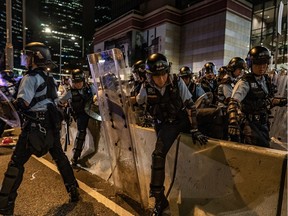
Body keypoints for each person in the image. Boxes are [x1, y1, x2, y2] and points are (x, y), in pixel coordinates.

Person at [0, 42, 79, 215]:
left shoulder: (30, 77)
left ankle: (4, 206)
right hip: (50, 126)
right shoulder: (48, 77)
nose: (25, 59)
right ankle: (73, 190)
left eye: (28, 56)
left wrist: (8, 103)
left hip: (34, 128)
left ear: (36, 57)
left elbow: (23, 103)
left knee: (15, 164)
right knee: (60, 158)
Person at [136, 53, 208, 215]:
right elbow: (140, 103)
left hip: (178, 121)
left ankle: (159, 198)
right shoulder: (145, 86)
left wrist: (195, 128)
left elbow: (190, 105)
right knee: (159, 155)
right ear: (150, 76)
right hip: (162, 124)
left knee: (158, 155)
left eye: (163, 74)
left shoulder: (176, 81)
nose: (161, 79)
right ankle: (159, 198)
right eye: (156, 76)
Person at [228, 46, 287, 146]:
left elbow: (266, 101)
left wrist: (281, 101)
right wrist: (233, 121)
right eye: (258, 64)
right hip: (250, 127)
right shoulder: (245, 82)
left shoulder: (265, 80)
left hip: (263, 124)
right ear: (251, 64)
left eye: (264, 63)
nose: (262, 67)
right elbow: (233, 102)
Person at [58, 69, 97, 167]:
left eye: (80, 82)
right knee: (81, 133)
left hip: (93, 113)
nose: (78, 84)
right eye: (76, 82)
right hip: (80, 115)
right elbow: (60, 101)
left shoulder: (90, 87)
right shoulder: (70, 93)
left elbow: (98, 96)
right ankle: (75, 157)